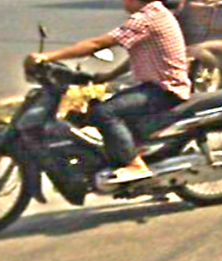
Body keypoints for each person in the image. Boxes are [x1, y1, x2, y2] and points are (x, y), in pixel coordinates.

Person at [30, 0, 191, 184]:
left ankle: (136, 165)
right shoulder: (156, 13)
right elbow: (137, 55)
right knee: (97, 108)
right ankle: (124, 155)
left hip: (163, 90)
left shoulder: (146, 19)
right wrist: (109, 76)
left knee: (104, 112)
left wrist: (47, 57)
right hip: (157, 86)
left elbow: (96, 44)